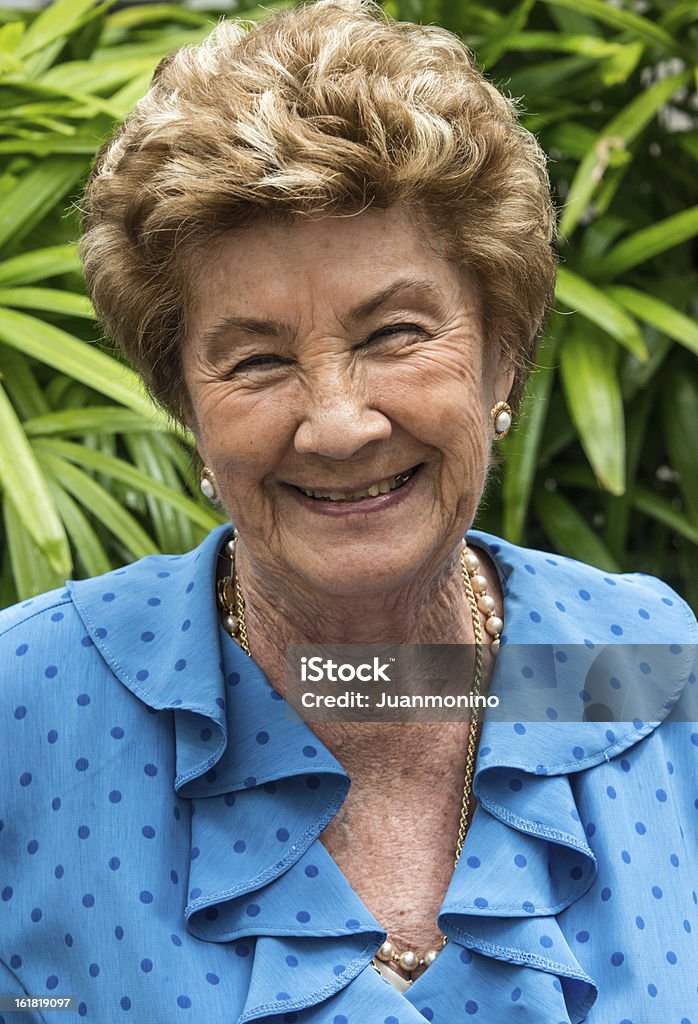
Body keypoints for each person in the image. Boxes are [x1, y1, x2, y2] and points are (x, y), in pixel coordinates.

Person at [1, 1, 695, 1021]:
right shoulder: (30, 701)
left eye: (393, 333)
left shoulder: (632, 660)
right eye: (257, 360)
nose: (336, 423)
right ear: (181, 402)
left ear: (502, 352)